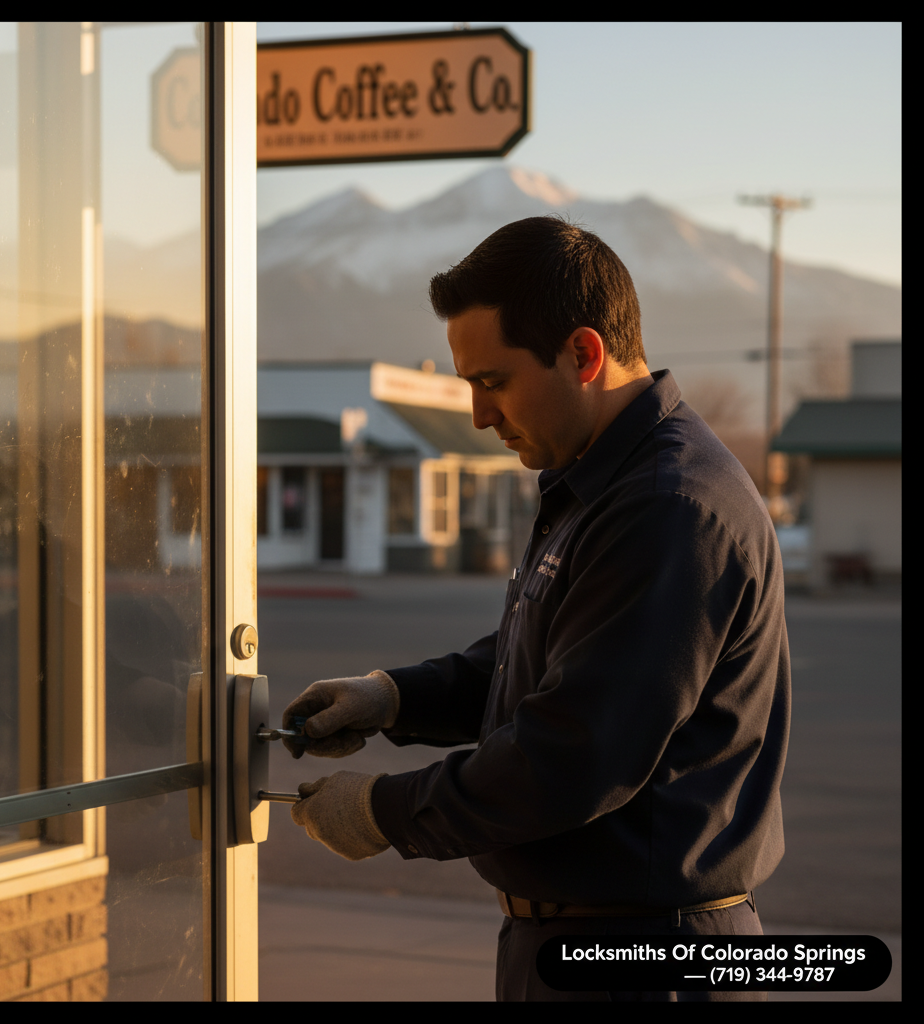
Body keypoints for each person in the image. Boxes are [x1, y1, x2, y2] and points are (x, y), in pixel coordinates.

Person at [283, 216, 790, 1002]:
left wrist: (384, 812)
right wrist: (394, 696)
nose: (480, 416)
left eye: (492, 381)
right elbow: (547, 658)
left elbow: (571, 757)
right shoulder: (601, 483)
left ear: (584, 355)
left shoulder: (668, 507)